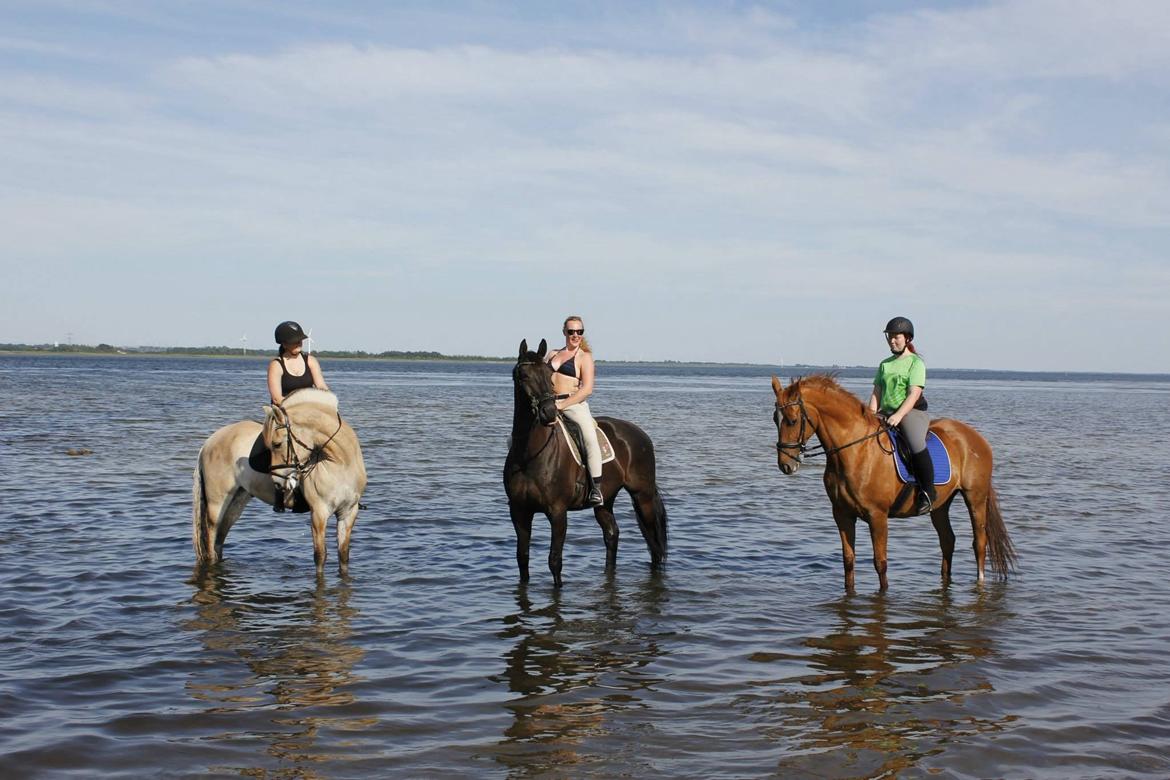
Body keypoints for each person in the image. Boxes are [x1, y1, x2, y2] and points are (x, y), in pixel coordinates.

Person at [868, 316, 935, 515]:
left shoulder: (916, 363)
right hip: (885, 413)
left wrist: (898, 416)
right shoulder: (885, 364)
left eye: (896, 337)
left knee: (915, 443)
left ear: (907, 338)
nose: (892, 340)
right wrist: (870, 414)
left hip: (911, 412)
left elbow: (914, 394)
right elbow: (877, 392)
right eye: (890, 337)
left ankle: (928, 492)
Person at [266, 320, 328, 512]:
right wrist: (301, 408)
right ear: (284, 344)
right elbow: (277, 398)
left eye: (300, 339)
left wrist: (326, 398)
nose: (299, 343)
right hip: (283, 416)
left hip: (309, 415)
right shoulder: (276, 365)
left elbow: (321, 385)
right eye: (295, 341)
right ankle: (279, 492)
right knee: (275, 445)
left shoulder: (310, 361)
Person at [546, 315, 604, 506]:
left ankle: (596, 489)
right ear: (564, 332)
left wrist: (562, 405)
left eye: (579, 331)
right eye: (571, 331)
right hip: (548, 403)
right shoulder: (552, 354)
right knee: (516, 436)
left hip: (572, 404)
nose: (575, 335)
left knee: (590, 438)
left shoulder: (584, 357)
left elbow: (587, 389)